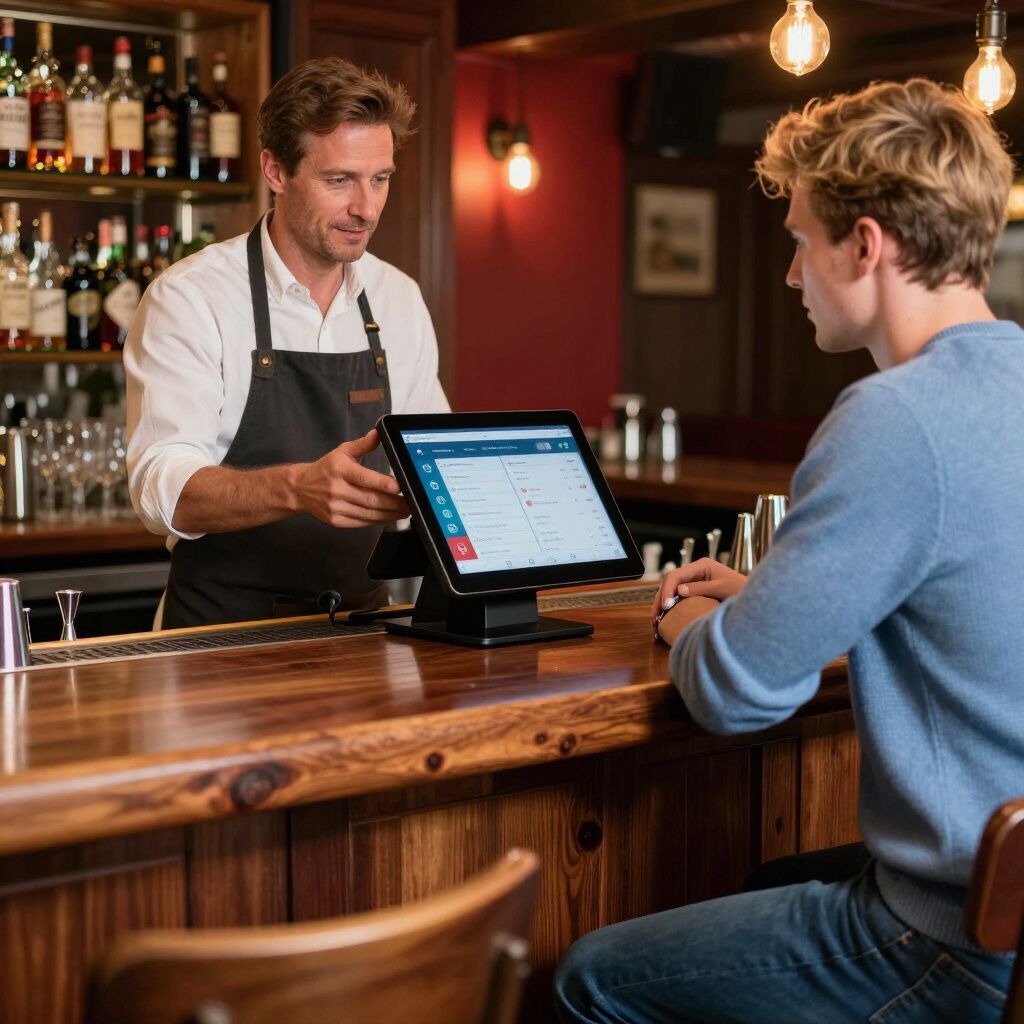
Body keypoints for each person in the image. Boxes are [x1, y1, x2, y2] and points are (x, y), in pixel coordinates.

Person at [554, 77, 1022, 1023]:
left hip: (950, 937)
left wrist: (685, 612)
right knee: (771, 876)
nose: (791, 275)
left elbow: (734, 693)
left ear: (866, 245)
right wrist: (775, 592)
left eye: (801, 242)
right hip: (1012, 906)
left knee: (589, 978)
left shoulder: (895, 417)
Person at [125, 58, 448, 629]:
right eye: (339, 180)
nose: (366, 208)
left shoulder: (397, 297)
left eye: (381, 178)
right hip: (221, 638)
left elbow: (433, 456)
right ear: (276, 171)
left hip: (361, 631)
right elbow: (161, 489)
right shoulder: (191, 297)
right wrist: (298, 487)